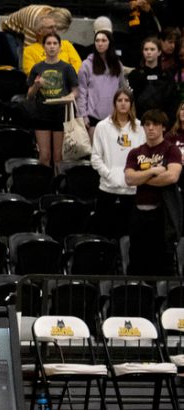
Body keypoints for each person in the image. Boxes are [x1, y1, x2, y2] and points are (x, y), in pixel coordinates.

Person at [124, 109, 182, 276]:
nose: (150, 128)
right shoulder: (135, 152)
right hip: (138, 214)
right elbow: (129, 179)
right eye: (147, 124)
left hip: (161, 215)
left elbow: (172, 176)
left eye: (155, 124)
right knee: (137, 262)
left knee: (162, 264)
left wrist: (141, 178)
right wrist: (153, 171)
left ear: (163, 127)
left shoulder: (171, 150)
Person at [91, 89, 144, 239]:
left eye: (126, 100)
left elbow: (144, 158)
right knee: (106, 234)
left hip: (132, 190)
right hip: (107, 189)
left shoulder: (140, 128)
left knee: (128, 236)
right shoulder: (102, 126)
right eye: (119, 100)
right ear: (114, 103)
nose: (123, 103)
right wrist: (109, 176)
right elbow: (95, 158)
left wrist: (135, 177)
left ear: (131, 104)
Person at [26, 33, 78, 172]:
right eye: (49, 43)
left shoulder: (67, 68)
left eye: (55, 43)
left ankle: (57, 187)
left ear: (60, 47)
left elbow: (76, 91)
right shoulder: (37, 68)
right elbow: (29, 96)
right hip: (41, 115)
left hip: (60, 115)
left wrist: (69, 97)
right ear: (44, 47)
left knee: (58, 157)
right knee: (44, 156)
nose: (52, 46)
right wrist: (37, 85)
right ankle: (43, 186)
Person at [77, 31, 127, 137]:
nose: (100, 43)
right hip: (93, 119)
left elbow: (123, 90)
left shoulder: (117, 64)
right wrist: (83, 116)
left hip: (114, 118)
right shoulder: (86, 65)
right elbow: (81, 93)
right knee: (95, 153)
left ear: (110, 43)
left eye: (103, 40)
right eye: (97, 40)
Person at [107, 0, 157, 68]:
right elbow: (110, 4)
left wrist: (147, 8)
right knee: (120, 63)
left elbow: (151, 3)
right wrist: (132, 5)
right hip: (121, 31)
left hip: (140, 32)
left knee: (136, 62)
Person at [18, 9, 82, 76]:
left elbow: (78, 64)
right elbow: (31, 73)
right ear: (40, 31)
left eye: (55, 27)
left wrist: (69, 77)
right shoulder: (29, 50)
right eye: (50, 27)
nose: (54, 30)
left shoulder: (66, 44)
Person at [128, 37, 176, 117]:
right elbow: (131, 100)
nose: (149, 52)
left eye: (152, 49)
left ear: (159, 52)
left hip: (162, 121)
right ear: (142, 52)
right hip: (139, 120)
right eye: (146, 49)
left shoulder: (167, 75)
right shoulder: (135, 75)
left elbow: (173, 101)